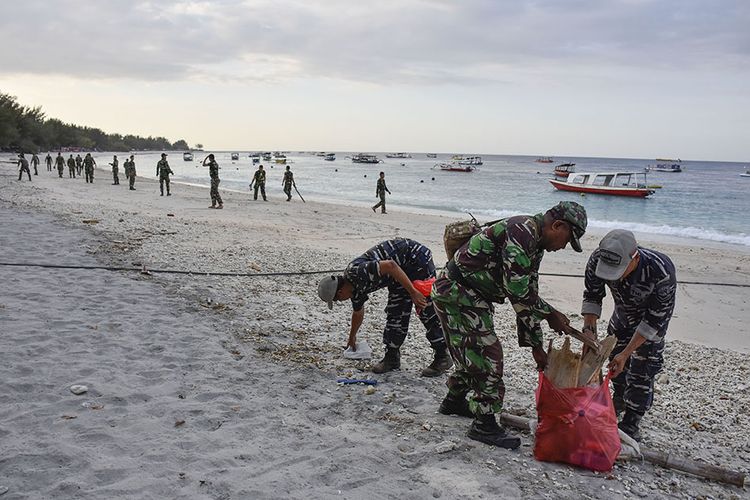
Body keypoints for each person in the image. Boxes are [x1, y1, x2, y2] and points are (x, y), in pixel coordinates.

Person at [431, 201, 587, 449]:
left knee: (473, 352)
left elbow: (527, 295)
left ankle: (454, 401)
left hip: (469, 296)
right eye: (567, 240)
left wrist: (536, 345)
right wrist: (551, 314)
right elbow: (517, 290)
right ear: (557, 225)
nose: (563, 247)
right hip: (456, 294)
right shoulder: (522, 232)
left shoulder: (534, 244)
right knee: (488, 354)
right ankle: (484, 425)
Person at [581, 229, 676, 441]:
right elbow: (592, 296)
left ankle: (632, 419)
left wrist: (627, 353)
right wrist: (589, 332)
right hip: (622, 315)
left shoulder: (661, 271)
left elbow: (653, 321)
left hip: (650, 324)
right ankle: (620, 398)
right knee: (615, 364)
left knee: (642, 368)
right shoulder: (599, 257)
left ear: (635, 258)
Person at [317, 238, 453, 377]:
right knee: (396, 312)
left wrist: (413, 292)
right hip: (396, 276)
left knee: (425, 307)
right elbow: (357, 312)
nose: (341, 301)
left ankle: (442, 357)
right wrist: (352, 337)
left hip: (414, 259)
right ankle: (392, 357)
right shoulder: (354, 289)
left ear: (339, 293)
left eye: (338, 300)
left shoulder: (356, 272)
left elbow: (390, 265)